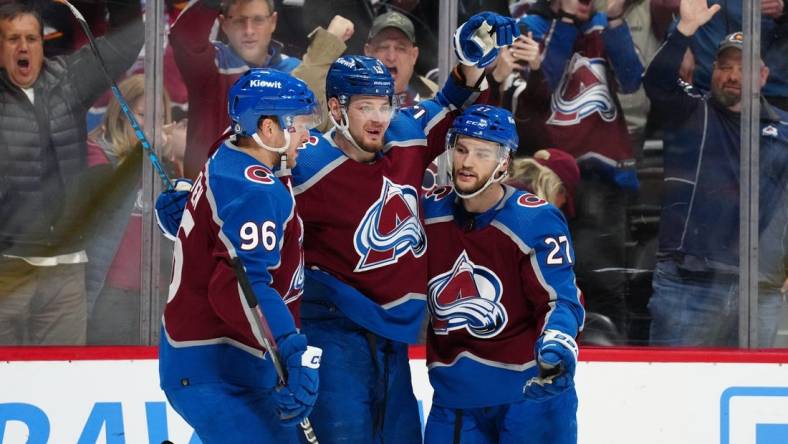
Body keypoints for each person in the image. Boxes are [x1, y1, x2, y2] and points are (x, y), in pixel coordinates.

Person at [289, 13, 518, 443]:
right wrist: (192, 200)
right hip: (332, 330)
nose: (378, 118)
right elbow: (247, 173)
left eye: (384, 105)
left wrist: (471, 61)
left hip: (391, 337)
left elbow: (448, 104)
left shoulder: (404, 136)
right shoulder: (306, 165)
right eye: (364, 108)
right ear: (336, 109)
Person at [158, 69, 323, 443]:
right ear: (268, 129)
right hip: (213, 365)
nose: (307, 136)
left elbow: (221, 235)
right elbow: (241, 286)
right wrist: (291, 351)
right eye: (298, 125)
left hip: (221, 362)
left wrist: (193, 216)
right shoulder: (253, 188)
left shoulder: (234, 148)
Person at [422, 105, 585, 443]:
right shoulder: (429, 213)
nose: (468, 162)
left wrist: (557, 341)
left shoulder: (533, 221)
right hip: (455, 398)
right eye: (462, 149)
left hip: (528, 394)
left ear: (505, 162)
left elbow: (560, 298)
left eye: (483, 153)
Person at [643, 0, 788, 347]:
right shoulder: (691, 111)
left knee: (754, 396)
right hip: (688, 283)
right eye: (725, 66)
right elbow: (657, 81)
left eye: (744, 67)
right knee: (673, 391)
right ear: (713, 70)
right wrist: (684, 31)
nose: (734, 75)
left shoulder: (783, 132)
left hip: (759, 290)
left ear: (763, 76)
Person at [0, 0, 143, 345]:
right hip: (7, 270)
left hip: (65, 272)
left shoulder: (68, 80)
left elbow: (127, 40)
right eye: (13, 38)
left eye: (32, 38)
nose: (24, 47)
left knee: (62, 384)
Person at [513, 0, 644, 334]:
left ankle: (614, 353)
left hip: (603, 177)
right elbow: (543, 85)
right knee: (547, 276)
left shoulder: (604, 25)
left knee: (604, 279)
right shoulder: (533, 26)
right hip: (549, 175)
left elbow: (631, 79)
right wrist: (567, 20)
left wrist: (615, 20)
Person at [84, 74, 181, 345]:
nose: (151, 125)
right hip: (111, 293)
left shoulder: (165, 161)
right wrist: (147, 155)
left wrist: (174, 164)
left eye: (158, 117)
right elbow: (107, 199)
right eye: (142, 114)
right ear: (121, 115)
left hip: (160, 293)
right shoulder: (96, 150)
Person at [170, 0, 301, 179]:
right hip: (211, 197)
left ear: (273, 22)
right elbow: (184, 37)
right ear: (224, 24)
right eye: (239, 21)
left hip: (274, 194)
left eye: (258, 20)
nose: (249, 31)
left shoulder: (294, 71)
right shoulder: (211, 65)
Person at [507, 148, 581, 220]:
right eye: (565, 196)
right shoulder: (532, 213)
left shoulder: (504, 187)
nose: (563, 201)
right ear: (557, 188)